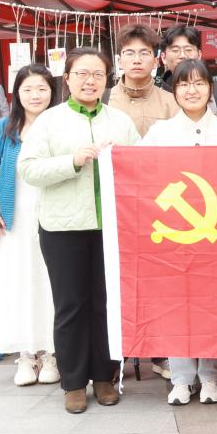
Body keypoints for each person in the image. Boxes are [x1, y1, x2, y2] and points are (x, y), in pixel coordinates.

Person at [18, 48, 140, 414]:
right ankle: (72, 382)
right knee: (70, 305)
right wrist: (72, 161)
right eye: (82, 74)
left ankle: (104, 376)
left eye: (98, 74)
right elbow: (29, 170)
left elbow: (141, 167)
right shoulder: (49, 122)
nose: (90, 81)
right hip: (63, 227)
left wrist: (123, 159)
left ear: (107, 80)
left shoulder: (120, 121)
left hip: (111, 228)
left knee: (105, 304)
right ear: (67, 79)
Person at [139, 59, 217, 406]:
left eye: (199, 83)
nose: (192, 91)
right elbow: (137, 172)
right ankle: (181, 378)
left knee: (215, 303)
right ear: (174, 90)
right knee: (176, 304)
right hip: (174, 236)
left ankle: (211, 376)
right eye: (183, 84)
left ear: (211, 88)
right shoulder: (160, 133)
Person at [0, 64, 60, 387]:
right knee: (20, 283)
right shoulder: (4, 129)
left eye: (42, 89)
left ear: (52, 92)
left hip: (55, 215)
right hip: (16, 218)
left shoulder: (60, 124)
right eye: (28, 89)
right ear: (16, 94)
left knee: (51, 284)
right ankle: (25, 354)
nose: (35, 95)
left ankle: (51, 354)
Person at [107, 23, 178, 137]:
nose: (137, 60)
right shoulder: (104, 100)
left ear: (155, 62)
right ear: (119, 61)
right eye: (129, 53)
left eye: (144, 53)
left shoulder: (171, 102)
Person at [160, 25, 217, 113]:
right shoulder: (157, 96)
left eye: (188, 50)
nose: (182, 55)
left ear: (199, 55)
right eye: (175, 50)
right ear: (163, 57)